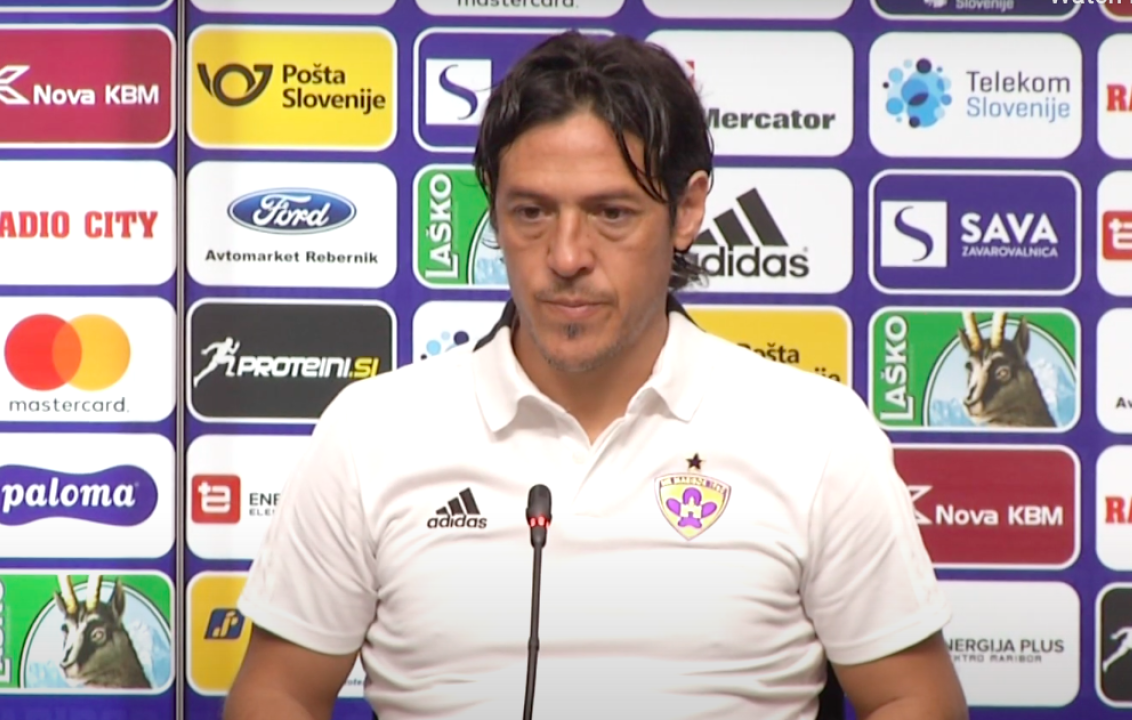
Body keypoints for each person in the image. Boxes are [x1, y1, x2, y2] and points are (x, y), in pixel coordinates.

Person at [223, 31, 969, 720]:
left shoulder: (817, 434)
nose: (567, 256)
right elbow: (277, 693)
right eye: (531, 213)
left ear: (687, 211)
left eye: (611, 213)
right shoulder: (371, 433)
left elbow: (912, 699)